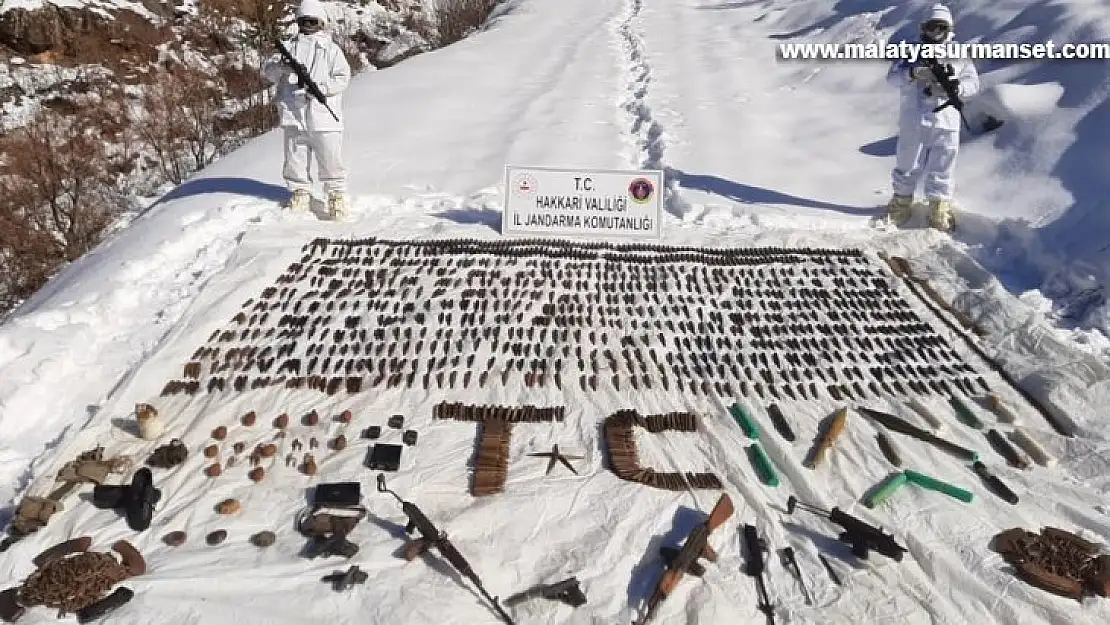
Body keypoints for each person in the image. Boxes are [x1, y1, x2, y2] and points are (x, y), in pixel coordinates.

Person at [884, 4, 979, 231]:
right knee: (908, 162)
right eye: (931, 27)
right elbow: (892, 78)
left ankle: (939, 206)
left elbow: (973, 83)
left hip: (946, 119)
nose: (936, 32)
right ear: (923, 28)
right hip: (914, 118)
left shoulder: (959, 53)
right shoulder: (910, 52)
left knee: (943, 164)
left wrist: (956, 89)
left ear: (949, 29)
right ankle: (902, 201)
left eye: (941, 27)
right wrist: (912, 73)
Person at [262, 0, 352, 220]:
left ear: (321, 22)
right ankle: (300, 192)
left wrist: (320, 89)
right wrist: (281, 67)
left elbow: (342, 77)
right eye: (304, 21)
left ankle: (336, 196)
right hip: (294, 113)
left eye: (313, 21)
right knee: (296, 158)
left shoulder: (331, 50)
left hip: (323, 114)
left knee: (330, 158)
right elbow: (269, 72)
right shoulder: (289, 47)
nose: (308, 25)